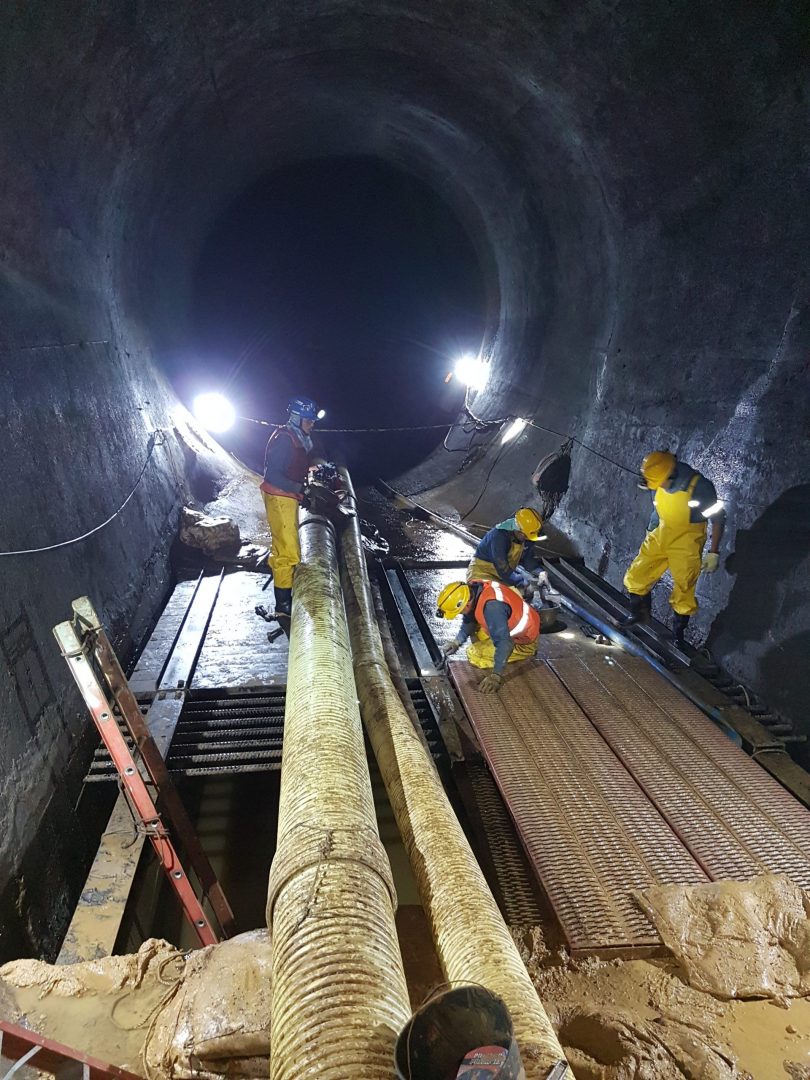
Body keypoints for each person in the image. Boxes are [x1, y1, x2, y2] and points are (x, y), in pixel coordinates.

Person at [622, 450, 726, 646]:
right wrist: (650, 531)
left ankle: (678, 635)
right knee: (637, 574)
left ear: (671, 475)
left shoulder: (700, 488)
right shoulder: (659, 480)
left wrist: (713, 552)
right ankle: (640, 615)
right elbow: (657, 509)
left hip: (686, 542)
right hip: (661, 533)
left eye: (660, 483)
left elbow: (718, 519)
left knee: (684, 589)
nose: (658, 486)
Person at [260, 396, 321, 617]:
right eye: (308, 420)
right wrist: (300, 489)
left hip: (286, 496)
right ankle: (283, 605)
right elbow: (273, 474)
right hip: (279, 497)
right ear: (296, 418)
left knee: (283, 548)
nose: (312, 424)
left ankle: (284, 596)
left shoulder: (296, 437)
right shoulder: (285, 439)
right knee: (287, 552)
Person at [436, 579, 540, 694]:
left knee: (474, 653)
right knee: (478, 631)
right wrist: (456, 642)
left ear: (467, 604)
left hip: (523, 639)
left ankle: (526, 652)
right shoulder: (474, 590)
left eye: (459, 612)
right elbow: (469, 618)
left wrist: (496, 676)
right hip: (512, 620)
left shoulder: (492, 608)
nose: (460, 614)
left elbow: (505, 643)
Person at [466, 507, 545, 591]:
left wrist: (540, 572)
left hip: (504, 576)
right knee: (488, 598)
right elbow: (503, 568)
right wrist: (522, 582)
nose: (527, 539)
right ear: (518, 530)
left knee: (520, 597)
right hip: (482, 573)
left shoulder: (527, 535)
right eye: (525, 536)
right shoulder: (498, 536)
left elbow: (527, 559)